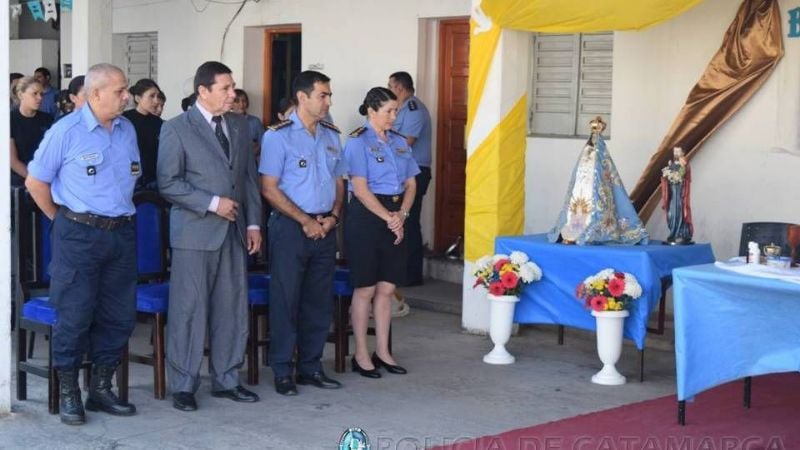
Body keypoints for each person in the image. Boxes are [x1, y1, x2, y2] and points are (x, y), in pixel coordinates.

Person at [25, 63, 139, 425]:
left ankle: (101, 388)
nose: (127, 96)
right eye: (120, 91)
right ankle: (70, 391)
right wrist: (60, 220)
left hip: (121, 233)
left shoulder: (127, 129)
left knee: (118, 316)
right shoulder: (66, 131)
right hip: (79, 234)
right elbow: (35, 182)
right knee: (74, 316)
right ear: (95, 94)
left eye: (126, 90)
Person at [157, 61, 263, 412]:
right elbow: (168, 183)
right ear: (203, 91)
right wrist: (212, 203)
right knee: (190, 310)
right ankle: (184, 385)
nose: (233, 94)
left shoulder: (240, 125)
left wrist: (253, 225)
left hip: (233, 232)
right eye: (225, 88)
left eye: (233, 87)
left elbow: (247, 179)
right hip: (194, 233)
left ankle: (227, 379)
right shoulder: (177, 128)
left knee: (231, 308)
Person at [260, 70, 344, 396]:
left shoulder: (330, 135)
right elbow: (269, 188)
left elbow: (340, 183)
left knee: (318, 301)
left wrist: (333, 217)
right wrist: (304, 220)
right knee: (286, 299)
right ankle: (283, 369)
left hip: (324, 227)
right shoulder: (277, 137)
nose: (328, 101)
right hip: (291, 229)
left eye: (329, 95)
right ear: (302, 97)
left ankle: (311, 366)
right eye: (322, 95)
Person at [344, 87, 418, 378]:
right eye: (388, 111)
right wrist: (388, 217)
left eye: (396, 111)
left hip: (396, 214)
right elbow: (360, 189)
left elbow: (411, 183)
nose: (393, 116)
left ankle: (384, 351)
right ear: (371, 111)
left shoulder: (399, 142)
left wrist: (402, 215)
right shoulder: (357, 142)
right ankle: (361, 353)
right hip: (367, 217)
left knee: (387, 288)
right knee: (365, 288)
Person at [388, 71, 432, 286]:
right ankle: (401, 272)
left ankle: (412, 275)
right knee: (401, 221)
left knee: (410, 221)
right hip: (401, 174)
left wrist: (379, 147)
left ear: (399, 88)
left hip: (415, 173)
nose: (389, 90)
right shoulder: (401, 109)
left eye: (390, 86)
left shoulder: (414, 109)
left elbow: (407, 142)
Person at [10, 76, 53, 186]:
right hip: (21, 179)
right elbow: (12, 161)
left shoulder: (47, 119)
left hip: (46, 175)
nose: (40, 98)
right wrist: (36, 180)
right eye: (34, 94)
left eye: (41, 94)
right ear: (20, 95)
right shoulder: (10, 120)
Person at [123, 78, 164, 191]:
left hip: (154, 180)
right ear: (138, 98)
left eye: (157, 96)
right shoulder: (125, 120)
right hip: (131, 179)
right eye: (151, 96)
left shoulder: (159, 123)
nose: (156, 101)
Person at [660, 146, 693, 244]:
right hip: (672, 192)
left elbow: (683, 176)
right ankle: (673, 234)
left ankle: (681, 234)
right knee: (671, 213)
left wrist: (676, 177)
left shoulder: (684, 164)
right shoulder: (671, 164)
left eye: (678, 151)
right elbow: (666, 176)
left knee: (679, 211)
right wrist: (667, 176)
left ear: (683, 152)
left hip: (679, 193)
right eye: (675, 151)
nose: (676, 153)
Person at [231, 89, 265, 156]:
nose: (241, 104)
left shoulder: (255, 122)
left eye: (244, 101)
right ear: (231, 104)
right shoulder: (225, 121)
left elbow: (264, 143)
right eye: (237, 101)